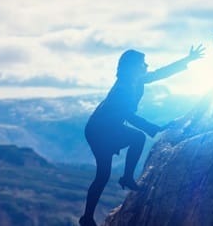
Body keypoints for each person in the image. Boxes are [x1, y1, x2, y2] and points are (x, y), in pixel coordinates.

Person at [79, 45, 204, 226]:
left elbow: (161, 73)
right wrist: (154, 128)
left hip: (105, 127)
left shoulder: (134, 81)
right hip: (99, 131)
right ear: (133, 67)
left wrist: (187, 60)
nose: (146, 65)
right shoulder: (124, 88)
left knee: (104, 173)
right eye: (142, 63)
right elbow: (129, 115)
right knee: (119, 158)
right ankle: (120, 185)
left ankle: (88, 216)